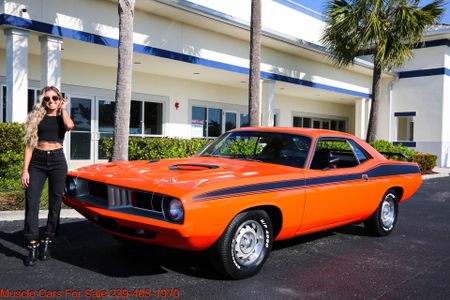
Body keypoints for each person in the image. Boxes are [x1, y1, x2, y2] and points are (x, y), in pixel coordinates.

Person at [21, 86, 74, 266]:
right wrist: (25, 170)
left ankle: (47, 240)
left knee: (55, 202)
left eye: (54, 98)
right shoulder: (36, 118)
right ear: (42, 101)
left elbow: (70, 126)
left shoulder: (62, 118)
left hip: (58, 161)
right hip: (37, 161)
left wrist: (63, 109)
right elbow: (29, 145)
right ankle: (32, 243)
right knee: (31, 200)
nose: (50, 101)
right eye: (47, 99)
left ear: (59, 99)